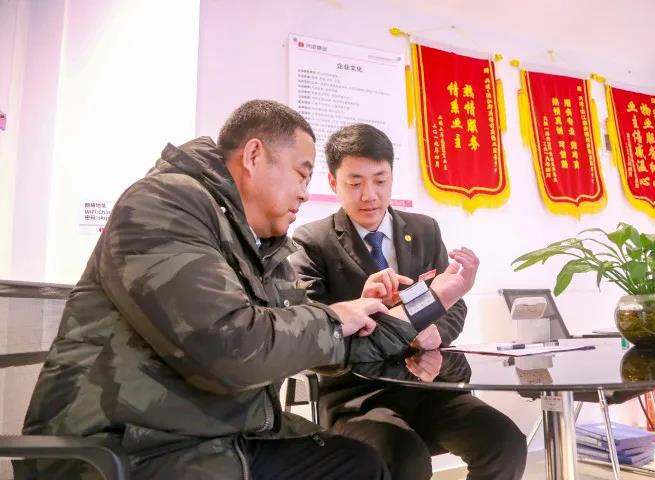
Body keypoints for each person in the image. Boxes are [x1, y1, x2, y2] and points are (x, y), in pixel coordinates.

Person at [16, 101, 475, 480]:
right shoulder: (165, 205)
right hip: (134, 445)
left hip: (210, 432)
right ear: (255, 155)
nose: (305, 193)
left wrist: (434, 298)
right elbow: (231, 346)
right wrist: (336, 317)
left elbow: (327, 336)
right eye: (301, 174)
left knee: (359, 463)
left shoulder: (260, 245)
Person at [291, 123, 527, 480]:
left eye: (380, 180)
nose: (370, 194)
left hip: (429, 383)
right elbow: (312, 327)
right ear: (333, 183)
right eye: (355, 183)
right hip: (358, 394)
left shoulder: (424, 229)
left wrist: (435, 333)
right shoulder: (312, 241)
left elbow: (453, 303)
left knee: (504, 442)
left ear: (392, 176)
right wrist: (360, 305)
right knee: (405, 458)